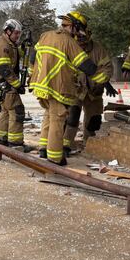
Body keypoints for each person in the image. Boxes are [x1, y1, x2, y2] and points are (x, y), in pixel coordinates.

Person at [31, 12, 98, 166]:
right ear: (73, 26)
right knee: (58, 118)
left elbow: (33, 56)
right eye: (79, 29)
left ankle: (44, 148)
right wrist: (98, 74)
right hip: (57, 87)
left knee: (49, 115)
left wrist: (33, 73)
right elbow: (85, 65)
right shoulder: (69, 41)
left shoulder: (45, 35)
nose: (79, 34)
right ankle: (54, 157)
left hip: (41, 85)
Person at [62, 25, 117, 153]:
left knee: (94, 120)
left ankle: (90, 145)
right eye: (78, 37)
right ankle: (66, 145)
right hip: (75, 91)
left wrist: (102, 83)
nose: (80, 40)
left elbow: (107, 67)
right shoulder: (70, 47)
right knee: (71, 118)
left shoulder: (98, 50)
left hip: (94, 91)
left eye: (83, 37)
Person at [0, 19, 26, 148]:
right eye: (16, 33)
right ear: (8, 31)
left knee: (6, 112)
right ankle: (15, 143)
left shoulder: (8, 44)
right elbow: (5, 69)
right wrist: (17, 84)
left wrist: (23, 47)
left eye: (19, 33)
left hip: (0, 82)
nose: (18, 36)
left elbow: (15, 55)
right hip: (4, 82)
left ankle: (1, 140)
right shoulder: (3, 45)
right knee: (17, 110)